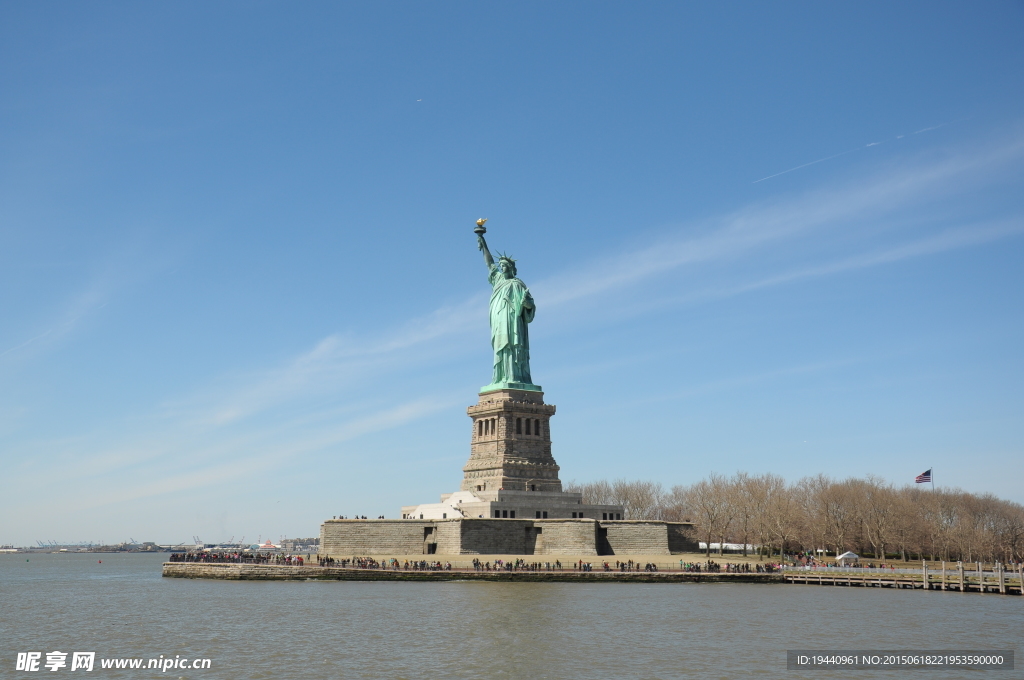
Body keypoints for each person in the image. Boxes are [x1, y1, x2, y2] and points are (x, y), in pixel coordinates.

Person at [477, 232, 535, 386]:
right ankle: (501, 377)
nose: (502, 268)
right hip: (499, 319)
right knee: (501, 346)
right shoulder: (498, 279)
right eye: (501, 266)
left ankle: (516, 377)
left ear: (511, 267)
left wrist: (527, 304)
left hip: (513, 320)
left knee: (513, 345)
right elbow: (490, 264)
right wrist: (483, 244)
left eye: (504, 265)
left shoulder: (518, 284)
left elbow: (530, 306)